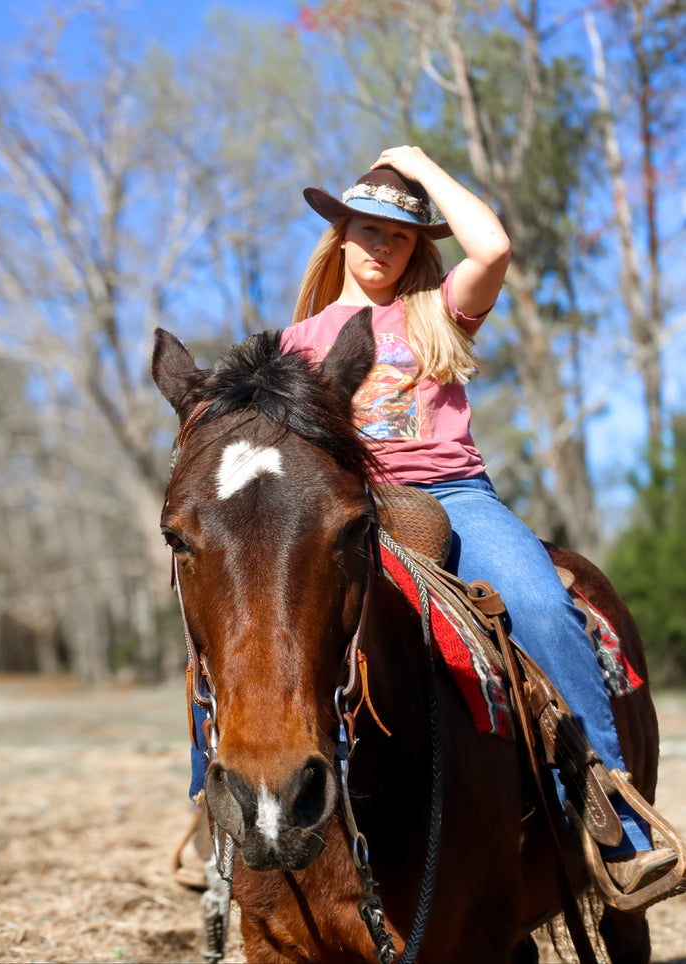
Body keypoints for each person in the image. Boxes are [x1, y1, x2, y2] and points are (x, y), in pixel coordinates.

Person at [278, 145, 676, 894]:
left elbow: (490, 245)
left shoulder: (436, 312)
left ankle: (612, 818)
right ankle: (220, 815)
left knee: (537, 602)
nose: (380, 245)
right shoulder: (294, 345)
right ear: (339, 234)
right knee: (249, 617)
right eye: (365, 228)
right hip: (346, 507)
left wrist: (422, 168)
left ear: (413, 249)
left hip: (453, 497)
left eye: (398, 235)